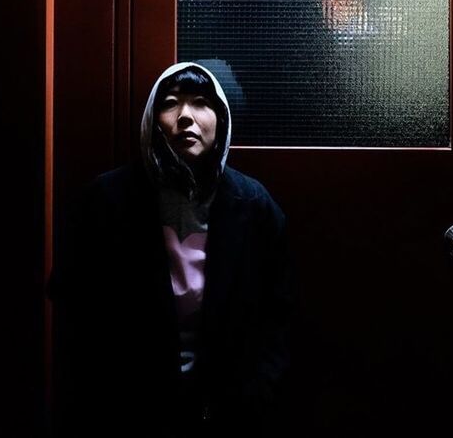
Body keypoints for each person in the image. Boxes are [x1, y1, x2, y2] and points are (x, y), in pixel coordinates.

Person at [47, 61, 293, 437]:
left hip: (230, 411)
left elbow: (279, 311)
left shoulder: (253, 203)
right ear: (151, 119)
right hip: (127, 412)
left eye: (200, 103)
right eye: (171, 103)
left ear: (221, 118)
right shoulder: (106, 200)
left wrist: (254, 394)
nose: (185, 117)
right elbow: (72, 302)